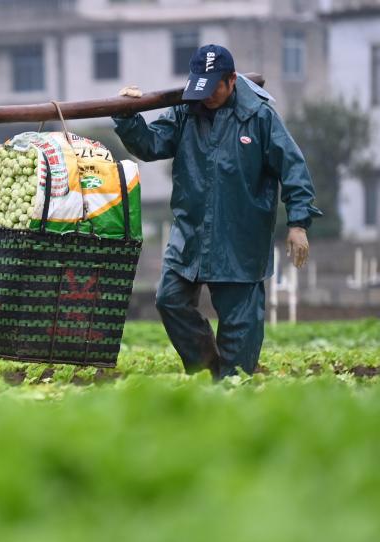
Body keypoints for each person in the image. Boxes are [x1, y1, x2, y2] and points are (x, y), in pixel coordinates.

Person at [113, 45, 322, 379]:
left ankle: (232, 385)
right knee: (169, 300)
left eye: (214, 88)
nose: (207, 97)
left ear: (232, 80)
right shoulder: (185, 112)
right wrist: (126, 115)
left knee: (239, 328)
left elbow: (293, 168)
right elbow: (151, 144)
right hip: (190, 234)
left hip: (240, 239)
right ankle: (208, 367)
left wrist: (298, 223)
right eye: (201, 89)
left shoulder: (260, 117)